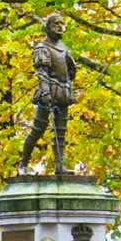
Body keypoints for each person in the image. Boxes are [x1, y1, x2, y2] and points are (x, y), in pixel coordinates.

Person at [18, 12, 77, 174]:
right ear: (48, 27)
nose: (60, 27)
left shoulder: (64, 48)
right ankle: (23, 164)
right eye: (56, 23)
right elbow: (42, 73)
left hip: (63, 94)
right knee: (38, 129)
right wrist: (45, 93)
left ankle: (60, 165)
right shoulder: (42, 48)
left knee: (60, 132)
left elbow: (70, 72)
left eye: (62, 23)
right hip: (48, 93)